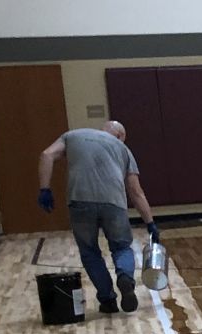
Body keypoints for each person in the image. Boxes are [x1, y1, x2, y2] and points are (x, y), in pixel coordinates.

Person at [36, 121, 159, 314]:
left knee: (90, 252)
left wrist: (44, 188)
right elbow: (136, 192)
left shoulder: (72, 136)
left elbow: (47, 155)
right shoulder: (123, 149)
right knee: (121, 247)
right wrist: (150, 223)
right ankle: (125, 278)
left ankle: (108, 300)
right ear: (119, 136)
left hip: (80, 200)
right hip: (114, 203)